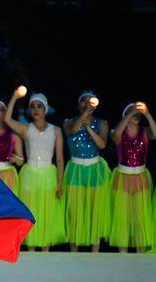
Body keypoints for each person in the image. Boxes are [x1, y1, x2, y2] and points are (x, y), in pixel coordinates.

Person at [4, 88, 67, 251]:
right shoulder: (27, 129)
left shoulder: (56, 130)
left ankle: (45, 249)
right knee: (31, 212)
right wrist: (14, 97)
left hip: (48, 174)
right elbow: (7, 119)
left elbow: (60, 159)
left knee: (47, 213)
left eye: (39, 106)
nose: (36, 109)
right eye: (33, 106)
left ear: (45, 109)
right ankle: (31, 249)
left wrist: (60, 183)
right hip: (30, 174)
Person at [63, 90, 111, 252]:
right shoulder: (68, 122)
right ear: (78, 105)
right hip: (75, 169)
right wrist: (84, 117)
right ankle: (74, 251)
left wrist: (89, 128)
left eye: (89, 101)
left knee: (93, 211)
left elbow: (102, 145)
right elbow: (73, 130)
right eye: (83, 101)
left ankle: (95, 252)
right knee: (75, 212)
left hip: (95, 169)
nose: (86, 103)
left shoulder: (102, 123)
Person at [109, 102, 156, 253]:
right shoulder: (116, 132)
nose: (135, 114)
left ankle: (140, 252)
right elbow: (116, 135)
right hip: (123, 177)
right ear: (125, 115)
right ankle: (122, 252)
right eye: (131, 112)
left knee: (139, 218)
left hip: (141, 177)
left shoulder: (145, 132)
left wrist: (147, 114)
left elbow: (155, 134)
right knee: (123, 218)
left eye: (137, 113)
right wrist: (130, 112)